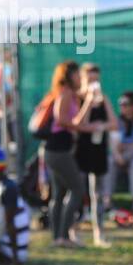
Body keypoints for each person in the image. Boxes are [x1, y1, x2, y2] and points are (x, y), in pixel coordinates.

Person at [35, 61, 88, 247]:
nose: (80, 78)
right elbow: (63, 120)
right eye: (77, 75)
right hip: (58, 151)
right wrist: (79, 125)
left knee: (59, 194)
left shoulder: (70, 94)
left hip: (57, 150)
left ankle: (57, 237)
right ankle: (63, 236)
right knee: (77, 188)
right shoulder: (65, 93)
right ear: (68, 76)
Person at [74, 63, 117, 247]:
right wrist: (89, 103)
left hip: (98, 150)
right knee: (77, 191)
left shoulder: (103, 98)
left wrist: (100, 125)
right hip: (80, 151)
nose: (94, 83)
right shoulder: (77, 98)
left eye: (96, 80)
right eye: (90, 79)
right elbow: (78, 123)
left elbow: (114, 124)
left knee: (97, 194)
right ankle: (73, 230)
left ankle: (99, 233)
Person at [112, 90, 133, 211]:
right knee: (109, 162)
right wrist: (117, 154)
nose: (122, 107)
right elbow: (114, 144)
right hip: (120, 155)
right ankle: (106, 201)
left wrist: (127, 147)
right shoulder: (116, 121)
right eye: (121, 104)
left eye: (125, 104)